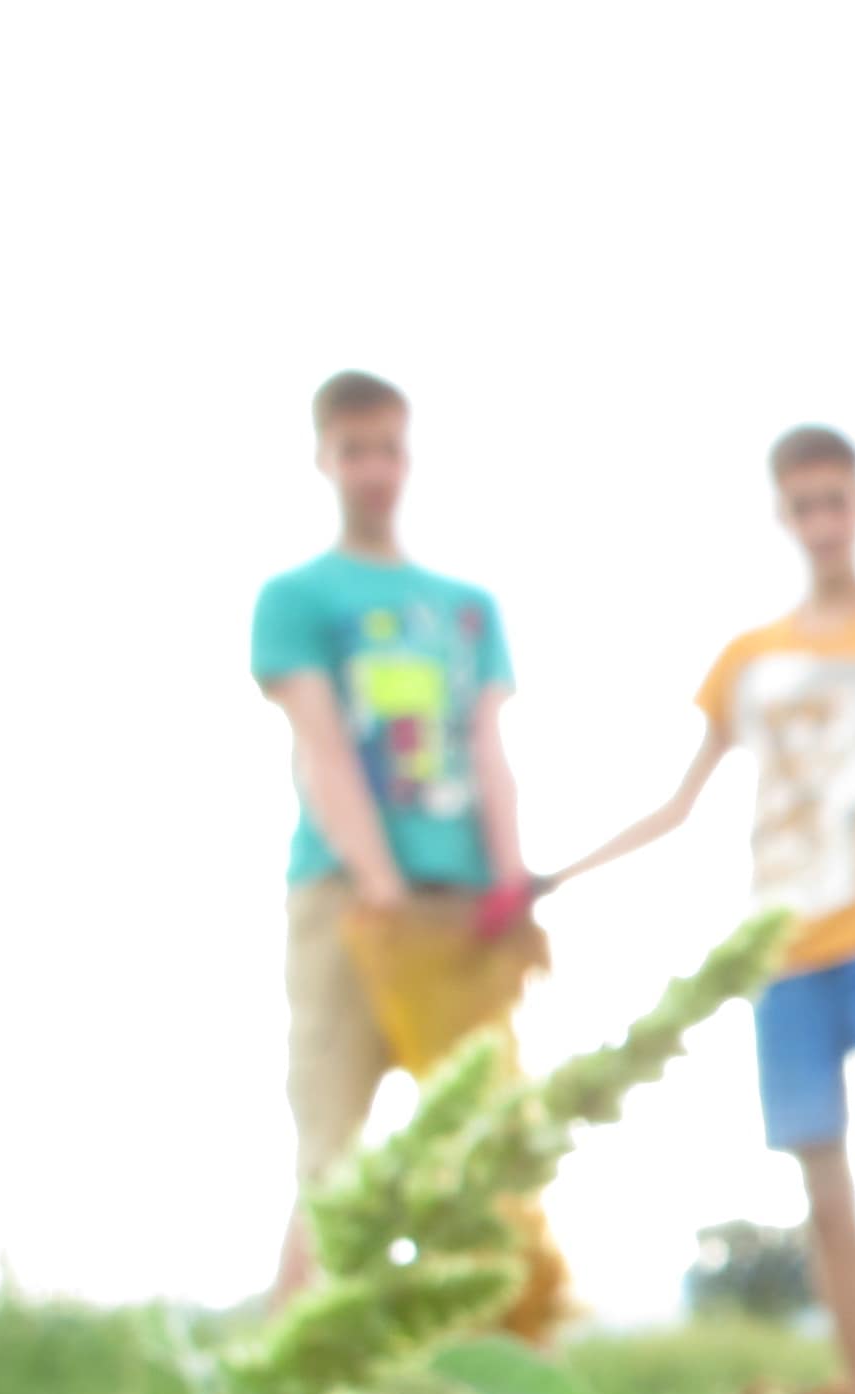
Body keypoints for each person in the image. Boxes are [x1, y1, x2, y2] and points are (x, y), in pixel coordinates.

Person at [543, 423, 855, 1394]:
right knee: (825, 1199)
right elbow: (677, 804)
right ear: (786, 517)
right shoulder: (748, 660)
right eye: (806, 506)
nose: (825, 521)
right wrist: (554, 878)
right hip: (783, 960)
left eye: (838, 500)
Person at [251, 369, 557, 1318]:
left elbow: (487, 749)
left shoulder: (464, 609)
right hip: (347, 903)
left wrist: (509, 881)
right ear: (324, 459)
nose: (373, 468)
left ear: (407, 454)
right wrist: (376, 879)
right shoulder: (298, 597)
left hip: (460, 914)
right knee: (334, 1162)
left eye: (387, 447)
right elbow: (325, 744)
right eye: (354, 450)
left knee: (496, 1151)